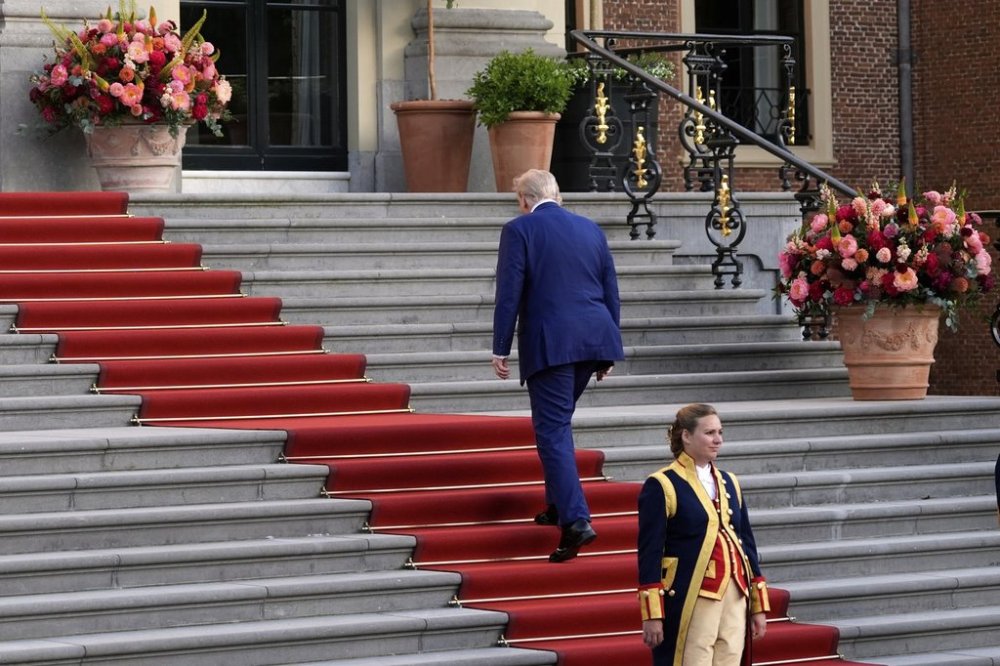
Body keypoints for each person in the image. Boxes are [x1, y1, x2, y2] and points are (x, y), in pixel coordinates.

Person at [491, 169, 625, 563]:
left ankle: (576, 521)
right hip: (594, 338)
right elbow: (610, 290)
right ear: (558, 195)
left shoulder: (520, 230)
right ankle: (555, 503)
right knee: (558, 422)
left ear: (523, 200)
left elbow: (509, 292)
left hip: (552, 344)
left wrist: (500, 347)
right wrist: (607, 349)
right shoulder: (590, 229)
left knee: (551, 429)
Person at [637, 403, 769, 665]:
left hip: (735, 590)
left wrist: (758, 603)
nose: (718, 439)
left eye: (720, 432)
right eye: (709, 433)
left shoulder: (730, 481)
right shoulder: (662, 483)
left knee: (730, 658)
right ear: (686, 436)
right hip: (692, 592)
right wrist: (652, 612)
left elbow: (746, 543)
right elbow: (650, 551)